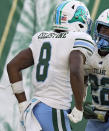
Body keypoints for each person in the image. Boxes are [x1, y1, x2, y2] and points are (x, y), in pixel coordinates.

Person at [7, 0, 95, 131]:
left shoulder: (41, 38)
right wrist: (79, 106)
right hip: (54, 109)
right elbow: (76, 70)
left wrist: (22, 103)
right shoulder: (77, 38)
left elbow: (12, 66)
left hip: (32, 110)